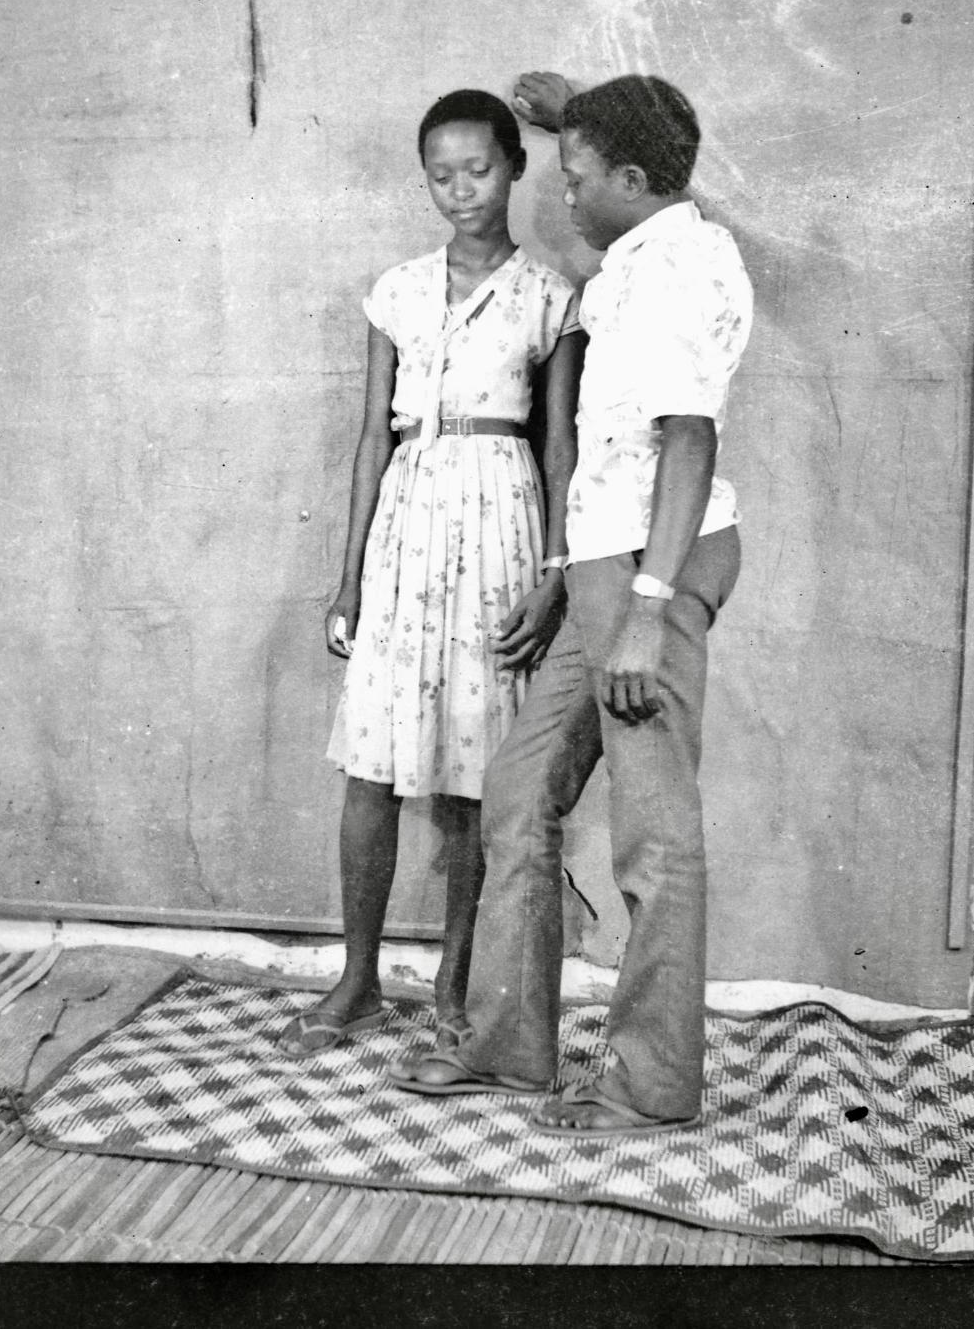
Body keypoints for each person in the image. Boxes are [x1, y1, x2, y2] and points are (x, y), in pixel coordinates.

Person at [390, 72, 752, 1137]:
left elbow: (690, 439)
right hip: (606, 565)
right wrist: (580, 112)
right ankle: (509, 1044)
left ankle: (651, 1086)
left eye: (579, 175)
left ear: (634, 179)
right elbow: (650, 151)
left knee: (653, 831)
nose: (564, 193)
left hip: (650, 566)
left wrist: (646, 608)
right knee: (520, 788)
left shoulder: (675, 268)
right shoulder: (654, 239)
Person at [278, 89, 586, 1058]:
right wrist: (349, 579)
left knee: (472, 775)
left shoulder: (551, 297)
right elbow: (373, 436)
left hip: (501, 526)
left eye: (479, 170)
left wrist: (556, 571)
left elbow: (561, 446)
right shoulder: (398, 291)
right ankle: (358, 981)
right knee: (370, 770)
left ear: (515, 168)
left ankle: (456, 983)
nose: (461, 191)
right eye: (441, 175)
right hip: (407, 526)